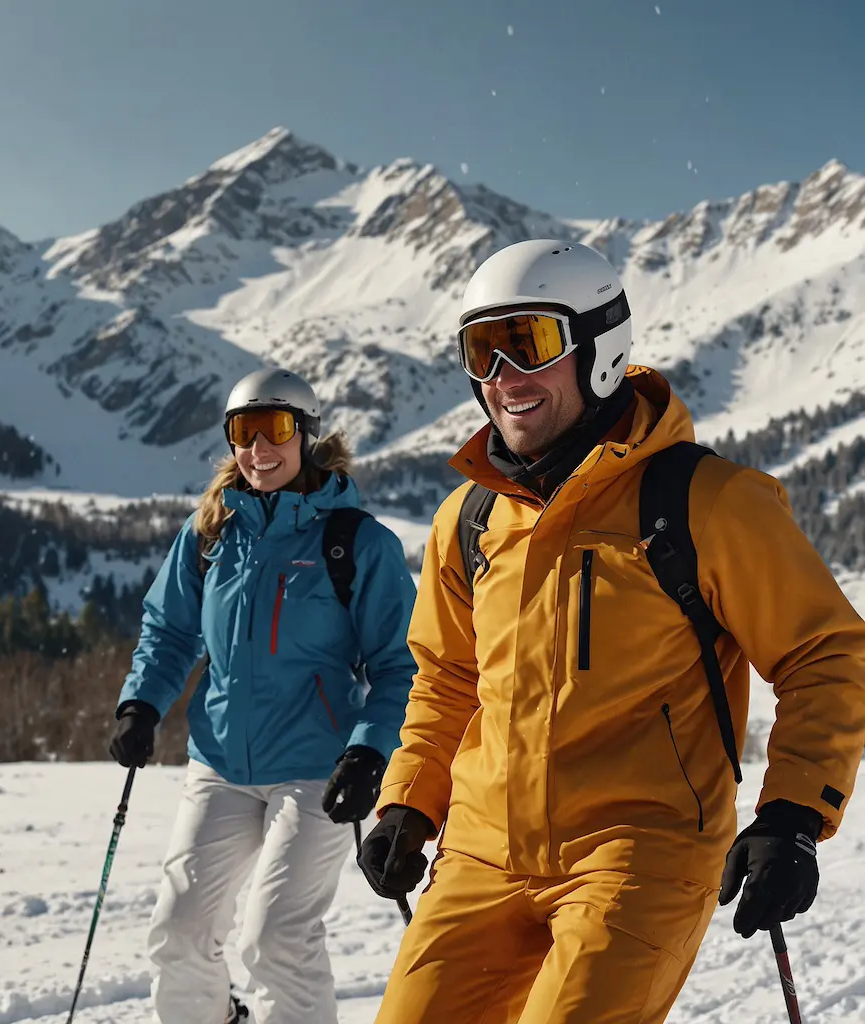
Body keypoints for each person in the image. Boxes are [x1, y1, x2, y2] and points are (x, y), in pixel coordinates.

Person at [357, 239, 865, 1023]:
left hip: (639, 851)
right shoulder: (470, 518)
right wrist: (409, 803)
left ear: (599, 348)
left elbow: (825, 653)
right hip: (482, 850)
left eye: (528, 345)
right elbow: (450, 678)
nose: (504, 379)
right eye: (483, 351)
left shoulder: (704, 499)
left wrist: (794, 814)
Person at [110, 367, 419, 1024]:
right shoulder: (212, 533)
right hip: (220, 762)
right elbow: (169, 632)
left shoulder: (355, 542)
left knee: (276, 940)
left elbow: (402, 665)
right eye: (243, 432)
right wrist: (141, 705)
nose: (259, 449)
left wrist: (368, 754)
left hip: (317, 771)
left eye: (275, 430)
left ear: (305, 434)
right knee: (178, 934)